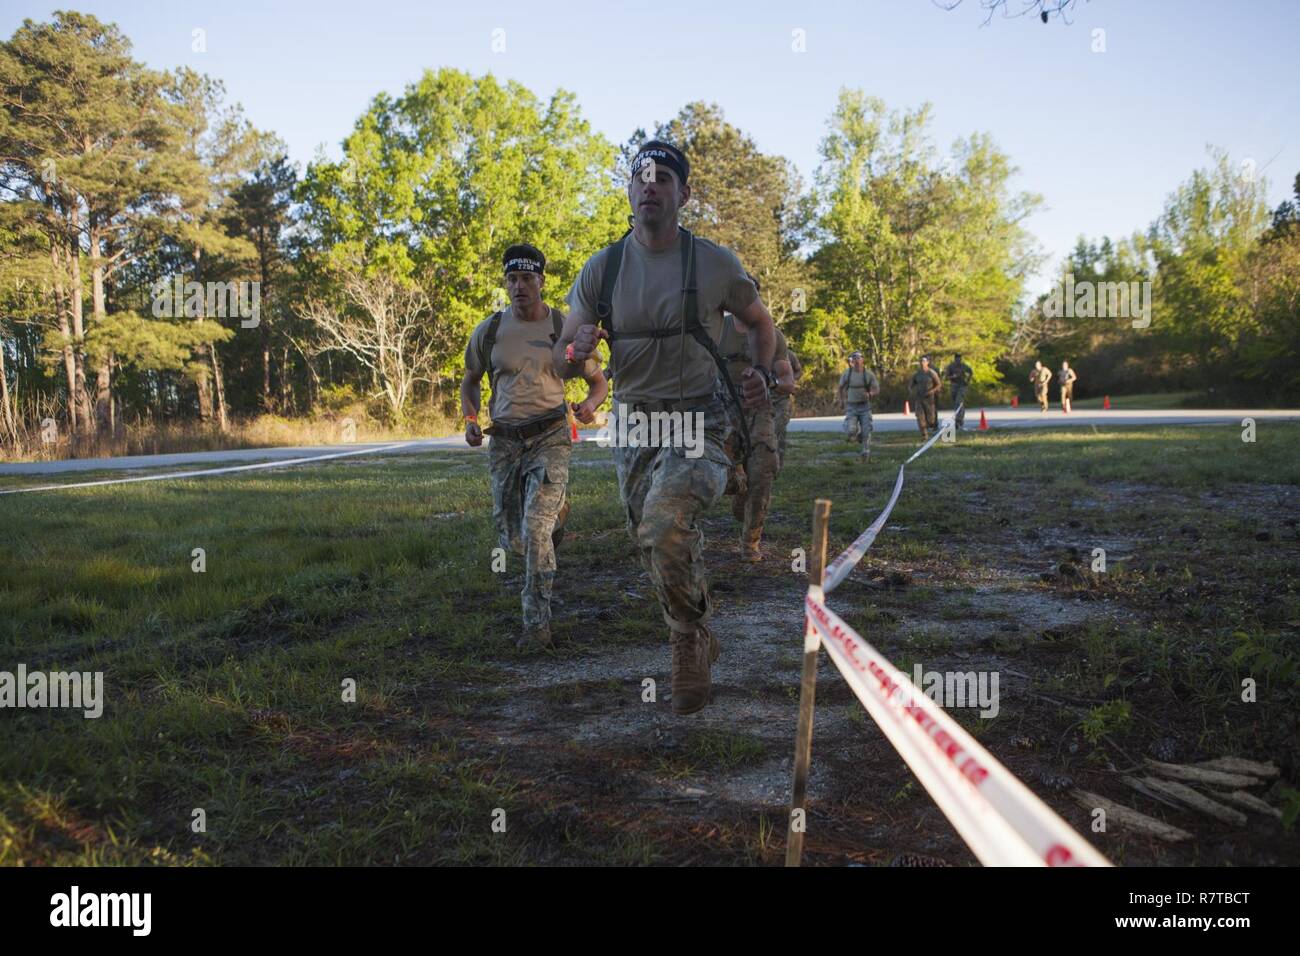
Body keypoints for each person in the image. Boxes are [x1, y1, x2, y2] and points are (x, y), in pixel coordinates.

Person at [553, 140, 777, 715]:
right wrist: (576, 351)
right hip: (632, 422)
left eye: (664, 177)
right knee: (651, 541)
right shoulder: (603, 270)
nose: (650, 184)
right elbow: (564, 353)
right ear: (629, 191)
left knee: (665, 521)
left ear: (683, 193)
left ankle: (684, 641)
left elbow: (759, 322)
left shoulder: (714, 263)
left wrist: (758, 372)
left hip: (700, 414)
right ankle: (698, 626)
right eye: (641, 176)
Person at [461, 243, 606, 650]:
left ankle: (536, 624)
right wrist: (471, 420)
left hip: (551, 436)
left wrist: (591, 407)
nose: (519, 286)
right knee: (514, 539)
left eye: (527, 278)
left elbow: (597, 382)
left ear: (541, 281)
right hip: (505, 440)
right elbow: (470, 380)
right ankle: (558, 512)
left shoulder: (562, 327)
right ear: (506, 283)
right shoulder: (489, 331)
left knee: (536, 531)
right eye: (512, 279)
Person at [716, 281, 796, 562]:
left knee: (763, 472)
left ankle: (751, 542)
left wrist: (767, 380)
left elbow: (788, 380)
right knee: (724, 481)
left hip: (759, 411)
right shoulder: (716, 331)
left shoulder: (772, 335)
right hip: (723, 413)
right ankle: (739, 487)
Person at [837, 351, 880, 459]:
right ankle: (855, 433)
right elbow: (840, 387)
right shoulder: (847, 373)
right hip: (852, 406)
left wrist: (870, 393)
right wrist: (841, 401)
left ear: (862, 360)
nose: (856, 361)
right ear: (852, 361)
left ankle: (865, 451)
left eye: (858, 358)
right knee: (851, 431)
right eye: (854, 358)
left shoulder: (868, 374)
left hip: (865, 406)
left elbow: (877, 389)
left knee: (867, 430)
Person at [908, 356, 943, 439]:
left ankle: (932, 426)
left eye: (924, 361)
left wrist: (932, 391)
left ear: (927, 362)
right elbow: (911, 383)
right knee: (920, 416)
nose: (922, 363)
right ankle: (924, 434)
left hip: (929, 398)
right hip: (919, 397)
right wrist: (910, 390)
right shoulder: (917, 374)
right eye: (921, 361)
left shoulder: (931, 373)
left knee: (931, 418)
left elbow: (939, 384)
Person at [943, 352, 974, 430]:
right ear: (955, 359)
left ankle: (958, 421)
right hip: (954, 385)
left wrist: (968, 380)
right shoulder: (951, 366)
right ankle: (960, 418)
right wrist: (952, 377)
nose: (958, 360)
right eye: (957, 359)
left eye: (959, 358)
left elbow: (970, 372)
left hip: (962, 386)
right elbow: (946, 377)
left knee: (958, 402)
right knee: (958, 404)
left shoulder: (964, 366)